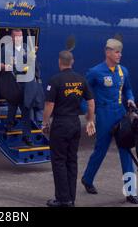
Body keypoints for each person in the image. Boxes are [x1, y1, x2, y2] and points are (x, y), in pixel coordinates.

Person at [81, 39, 138, 204]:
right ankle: (87, 178)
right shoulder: (95, 72)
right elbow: (82, 93)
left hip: (120, 114)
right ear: (108, 52)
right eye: (116, 52)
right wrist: (88, 113)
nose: (120, 55)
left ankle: (130, 192)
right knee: (100, 150)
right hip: (104, 115)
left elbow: (128, 88)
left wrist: (130, 99)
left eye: (120, 52)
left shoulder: (123, 71)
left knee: (126, 151)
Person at [42, 51, 96, 207]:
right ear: (72, 61)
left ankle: (62, 199)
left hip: (60, 124)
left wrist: (45, 123)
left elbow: (49, 105)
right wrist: (90, 119)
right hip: (74, 124)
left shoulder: (55, 80)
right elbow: (91, 102)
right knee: (72, 161)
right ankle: (71, 198)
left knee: (59, 161)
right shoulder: (81, 80)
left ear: (60, 62)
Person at [0, 29, 33, 146]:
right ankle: (8, 127)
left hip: (25, 82)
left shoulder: (26, 47)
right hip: (13, 82)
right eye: (16, 37)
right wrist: (8, 65)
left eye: (21, 36)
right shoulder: (6, 49)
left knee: (26, 109)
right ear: (11, 38)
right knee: (12, 107)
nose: (19, 39)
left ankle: (27, 136)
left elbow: (31, 62)